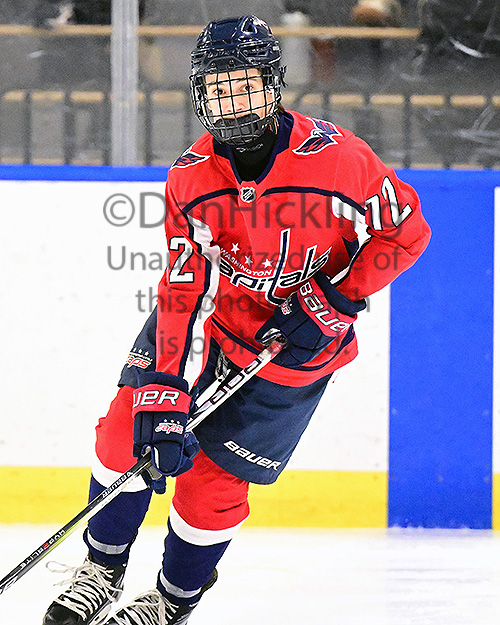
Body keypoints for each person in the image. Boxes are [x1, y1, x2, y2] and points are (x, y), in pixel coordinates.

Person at [42, 14, 431, 625]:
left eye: (245, 85)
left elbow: (405, 234)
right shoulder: (191, 176)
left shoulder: (340, 161)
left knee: (212, 486)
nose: (233, 103)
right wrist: (165, 389)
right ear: (200, 95)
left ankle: (171, 601)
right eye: (219, 89)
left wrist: (338, 300)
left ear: (273, 85)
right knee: (126, 433)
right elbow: (183, 286)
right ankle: (101, 567)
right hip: (213, 326)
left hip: (299, 350)